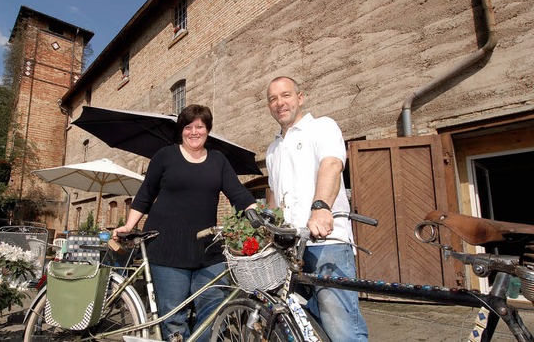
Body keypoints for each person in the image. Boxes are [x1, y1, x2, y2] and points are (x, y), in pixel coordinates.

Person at [113, 104, 257, 342]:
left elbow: (238, 194)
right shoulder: (165, 156)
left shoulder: (218, 160)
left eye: (199, 126)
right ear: (181, 130)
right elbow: (145, 194)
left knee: (213, 313)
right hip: (167, 248)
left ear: (207, 130)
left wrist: (257, 215)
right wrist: (129, 226)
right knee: (174, 317)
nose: (194, 132)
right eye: (188, 127)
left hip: (208, 250)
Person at [264, 76, 368, 341]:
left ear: (300, 98)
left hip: (325, 244)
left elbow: (331, 165)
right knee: (298, 326)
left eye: (286, 95)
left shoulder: (322, 127)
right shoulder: (273, 148)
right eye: (273, 99)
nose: (280, 103)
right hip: (289, 251)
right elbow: (275, 196)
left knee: (341, 328)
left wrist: (321, 208)